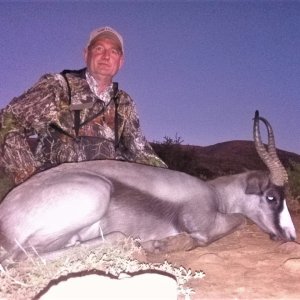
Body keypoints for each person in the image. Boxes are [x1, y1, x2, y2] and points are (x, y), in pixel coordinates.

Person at [0, 26, 167, 200]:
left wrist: (177, 182)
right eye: (99, 49)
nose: (106, 56)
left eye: (114, 51)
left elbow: (140, 153)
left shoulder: (123, 103)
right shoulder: (58, 87)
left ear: (121, 62)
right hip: (52, 194)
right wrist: (30, 179)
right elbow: (8, 121)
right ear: (86, 54)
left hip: (106, 197)